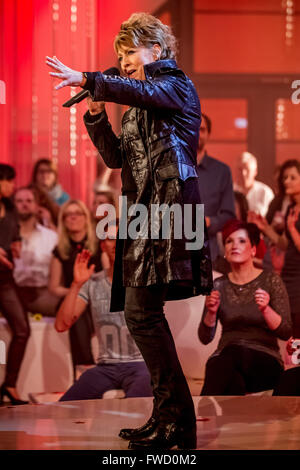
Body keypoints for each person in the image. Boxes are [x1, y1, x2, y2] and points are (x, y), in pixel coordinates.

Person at [46, 12, 213, 450]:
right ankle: (168, 417)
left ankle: (177, 420)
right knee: (141, 314)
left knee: (142, 313)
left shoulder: (174, 83)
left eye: (130, 53)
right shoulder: (139, 105)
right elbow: (119, 159)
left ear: (157, 50)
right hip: (142, 212)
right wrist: (97, 114)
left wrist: (92, 78)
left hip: (173, 210)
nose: (122, 62)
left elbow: (140, 90)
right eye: (118, 56)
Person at [56, 224, 152, 401]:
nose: (116, 243)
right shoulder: (92, 283)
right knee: (64, 408)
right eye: (110, 238)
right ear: (103, 246)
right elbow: (62, 325)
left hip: (140, 365)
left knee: (135, 407)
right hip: (106, 367)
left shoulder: (144, 282)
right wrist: (76, 284)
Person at [198, 219, 292, 395]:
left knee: (227, 356)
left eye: (242, 241)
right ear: (225, 251)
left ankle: (200, 415)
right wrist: (211, 313)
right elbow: (205, 337)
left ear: (253, 249)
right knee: (226, 371)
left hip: (265, 360)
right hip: (227, 361)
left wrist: (266, 310)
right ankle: (230, 418)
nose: (235, 245)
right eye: (229, 241)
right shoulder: (219, 285)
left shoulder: (271, 280)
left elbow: (286, 331)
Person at [49, 199, 102, 380]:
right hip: (71, 298)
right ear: (63, 220)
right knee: (75, 315)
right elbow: (54, 287)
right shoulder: (60, 250)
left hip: (97, 298)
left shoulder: (98, 245)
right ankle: (87, 369)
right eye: (68, 215)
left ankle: (81, 375)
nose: (73, 218)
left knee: (83, 313)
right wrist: (76, 290)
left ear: (85, 218)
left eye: (77, 214)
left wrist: (89, 291)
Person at [249, 160, 300, 338]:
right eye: (285, 177)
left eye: (292, 177)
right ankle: (293, 365)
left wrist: (292, 228)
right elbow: (284, 244)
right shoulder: (292, 209)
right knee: (291, 331)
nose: (286, 181)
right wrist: (265, 228)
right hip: (288, 274)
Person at [0, 164, 29, 405]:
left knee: (22, 329)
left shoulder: (9, 208)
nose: (12, 186)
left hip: (5, 279)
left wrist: (17, 243)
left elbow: (15, 232)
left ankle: (9, 384)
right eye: (8, 181)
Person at [13, 187, 60, 316]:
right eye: (19, 201)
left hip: (43, 294)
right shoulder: (4, 235)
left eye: (29, 201)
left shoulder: (51, 237)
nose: (24, 204)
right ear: (13, 205)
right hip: (11, 294)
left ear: (36, 205)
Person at [196, 113, 235, 266]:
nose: (197, 133)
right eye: (192, 128)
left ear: (208, 134)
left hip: (209, 254)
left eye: (202, 129)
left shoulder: (222, 171)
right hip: (174, 254)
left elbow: (229, 215)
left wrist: (209, 222)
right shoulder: (172, 167)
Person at [234, 151, 274, 217]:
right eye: (240, 169)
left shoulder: (265, 192)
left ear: (255, 171)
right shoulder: (229, 191)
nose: (243, 174)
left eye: (247, 169)